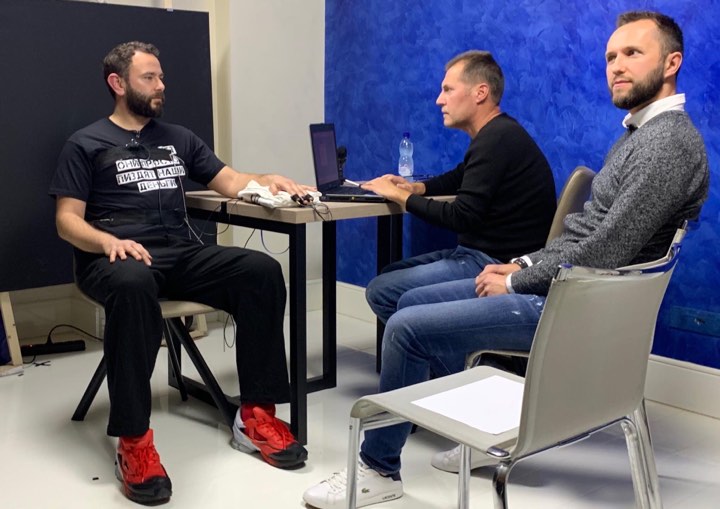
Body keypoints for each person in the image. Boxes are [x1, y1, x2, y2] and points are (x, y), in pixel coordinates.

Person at [303, 11, 709, 509]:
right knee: (405, 301)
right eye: (610, 56)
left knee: (406, 326)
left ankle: (378, 470)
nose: (616, 66)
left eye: (632, 53)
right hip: (569, 290)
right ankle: (469, 424)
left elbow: (607, 251)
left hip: (576, 306)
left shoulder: (667, 143)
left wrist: (518, 282)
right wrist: (521, 266)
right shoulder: (641, 135)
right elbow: (584, 237)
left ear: (671, 62)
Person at [49, 41, 313, 506]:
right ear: (118, 83)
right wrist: (106, 242)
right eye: (149, 78)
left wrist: (266, 179)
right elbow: (66, 220)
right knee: (133, 285)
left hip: (178, 253)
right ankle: (134, 442)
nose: (161, 86)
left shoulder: (178, 137)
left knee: (261, 271)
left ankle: (255, 416)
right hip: (114, 258)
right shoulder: (85, 143)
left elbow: (230, 181)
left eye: (162, 77)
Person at [362, 50, 556, 326]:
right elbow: (461, 174)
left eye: (447, 90)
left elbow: (461, 217)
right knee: (389, 275)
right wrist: (417, 188)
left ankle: (433, 342)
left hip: (492, 262)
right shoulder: (498, 133)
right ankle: (425, 338)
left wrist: (401, 196)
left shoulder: (496, 139)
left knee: (382, 291)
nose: (439, 100)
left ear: (480, 93)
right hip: (479, 253)